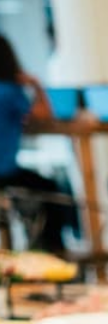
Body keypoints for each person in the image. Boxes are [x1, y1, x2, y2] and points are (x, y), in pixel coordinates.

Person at [0, 33, 69, 255]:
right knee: (52, 192)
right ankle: (53, 253)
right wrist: (36, 85)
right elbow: (44, 115)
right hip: (5, 175)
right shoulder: (9, 91)